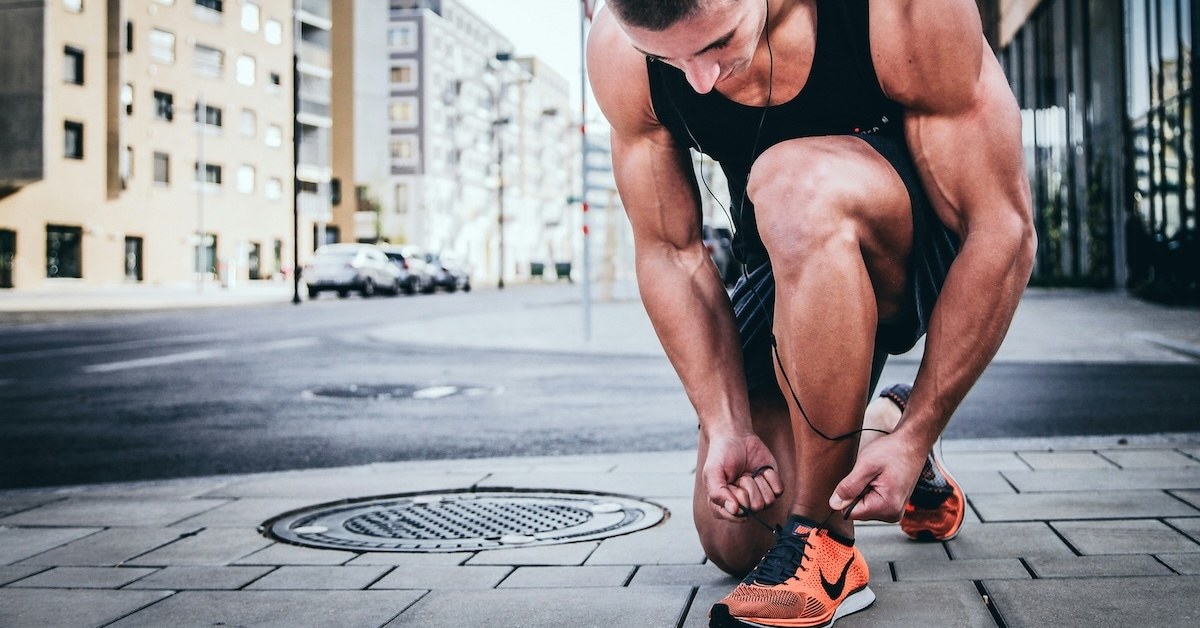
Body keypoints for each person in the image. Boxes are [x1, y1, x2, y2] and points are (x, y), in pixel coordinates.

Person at [586, 0, 1035, 626]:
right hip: (787, 255)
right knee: (736, 539)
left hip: (916, 245)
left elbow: (1002, 228)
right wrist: (726, 424)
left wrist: (924, 430)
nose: (698, 81)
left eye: (716, 44)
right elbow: (671, 252)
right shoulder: (618, 50)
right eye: (668, 59)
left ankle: (826, 544)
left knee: (792, 181)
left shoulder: (900, 11)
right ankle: (880, 423)